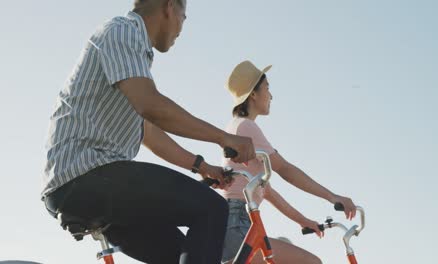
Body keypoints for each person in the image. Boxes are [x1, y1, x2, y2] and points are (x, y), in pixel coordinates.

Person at [41, 1, 255, 263]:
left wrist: (201, 166)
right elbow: (152, 107)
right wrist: (224, 137)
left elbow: (149, 131)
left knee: (183, 255)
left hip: (89, 185)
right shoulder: (122, 32)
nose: (181, 29)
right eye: (184, 18)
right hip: (84, 175)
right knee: (211, 209)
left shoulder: (132, 58)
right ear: (169, 8)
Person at [219, 60, 357, 264]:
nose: (271, 95)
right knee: (312, 263)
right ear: (253, 94)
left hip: (233, 222)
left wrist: (304, 221)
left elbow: (268, 192)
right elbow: (284, 168)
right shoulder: (246, 127)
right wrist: (332, 196)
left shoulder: (238, 127)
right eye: (267, 88)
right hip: (238, 224)